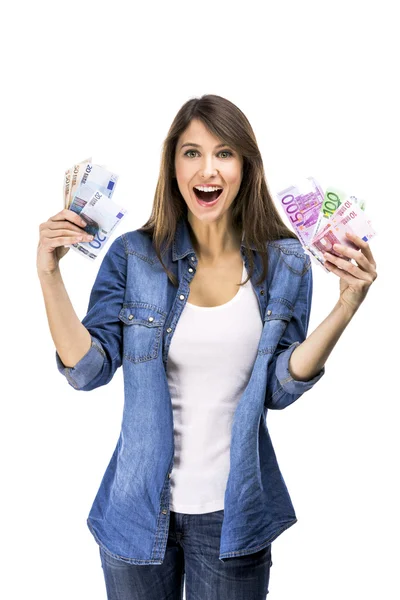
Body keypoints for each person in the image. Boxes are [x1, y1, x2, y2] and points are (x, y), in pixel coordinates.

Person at [36, 94, 378, 600]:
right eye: (192, 152)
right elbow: (87, 371)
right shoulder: (134, 257)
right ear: (173, 166)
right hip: (135, 514)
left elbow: (280, 389)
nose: (208, 168)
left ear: (245, 165)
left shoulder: (286, 263)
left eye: (224, 153)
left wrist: (346, 306)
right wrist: (48, 273)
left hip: (234, 516)